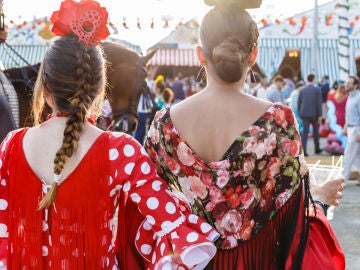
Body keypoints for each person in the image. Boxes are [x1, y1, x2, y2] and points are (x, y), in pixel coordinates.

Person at [0, 1, 219, 269]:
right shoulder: (120, 150)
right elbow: (172, 227)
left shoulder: (11, 146)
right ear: (99, 88)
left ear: (45, 87)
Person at [144, 1, 345, 269]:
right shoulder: (277, 122)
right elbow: (292, 221)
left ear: (200, 55)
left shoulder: (163, 125)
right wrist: (318, 198)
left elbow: (150, 209)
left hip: (188, 261)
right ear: (253, 55)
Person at [298, 73, 323, 156]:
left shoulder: (302, 89)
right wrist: (320, 115)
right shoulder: (317, 89)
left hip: (304, 113)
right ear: (313, 79)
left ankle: (304, 150)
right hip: (314, 114)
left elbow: (299, 102)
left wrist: (300, 113)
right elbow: (319, 103)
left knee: (305, 132)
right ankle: (317, 149)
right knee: (316, 131)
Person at [342, 75, 360, 185]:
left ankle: (342, 181)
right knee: (358, 155)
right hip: (350, 128)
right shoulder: (350, 96)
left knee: (348, 155)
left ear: (356, 85)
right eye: (346, 82)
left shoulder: (358, 97)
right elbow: (349, 113)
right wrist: (345, 125)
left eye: (349, 83)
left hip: (356, 129)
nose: (346, 85)